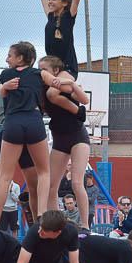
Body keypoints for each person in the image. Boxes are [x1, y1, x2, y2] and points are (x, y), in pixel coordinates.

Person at [0, 42, 82, 227]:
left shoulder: (6, 75)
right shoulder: (38, 74)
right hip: (34, 121)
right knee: (44, 172)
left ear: (20, 58)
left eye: (10, 55)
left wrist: (4, 87)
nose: (7, 59)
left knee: (5, 176)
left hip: (13, 122)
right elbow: (56, 82)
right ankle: (40, 214)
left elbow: (2, 89)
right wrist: (71, 83)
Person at [39, 56, 92, 232]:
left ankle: (85, 225)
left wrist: (73, 84)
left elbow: (84, 99)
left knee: (77, 182)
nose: (41, 72)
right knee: (51, 184)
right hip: (59, 137)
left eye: (44, 69)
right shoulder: (42, 89)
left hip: (78, 136)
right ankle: (56, 222)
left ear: (55, 71)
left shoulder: (65, 83)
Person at [30, 0, 102, 78]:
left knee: (53, 91)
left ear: (64, 3)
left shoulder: (69, 16)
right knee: (43, 90)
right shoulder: (51, 16)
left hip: (67, 66)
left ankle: (78, 95)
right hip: (51, 65)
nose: (50, 1)